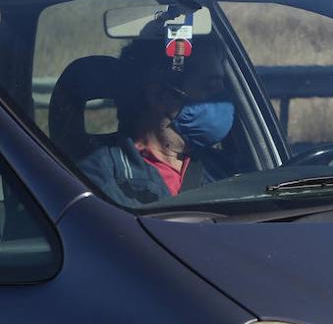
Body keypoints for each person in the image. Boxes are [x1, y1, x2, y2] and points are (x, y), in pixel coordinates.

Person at [75, 37, 235, 206]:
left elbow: (266, 191)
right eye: (210, 86)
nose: (224, 98)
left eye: (222, 85)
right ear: (160, 97)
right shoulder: (100, 180)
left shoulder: (223, 168)